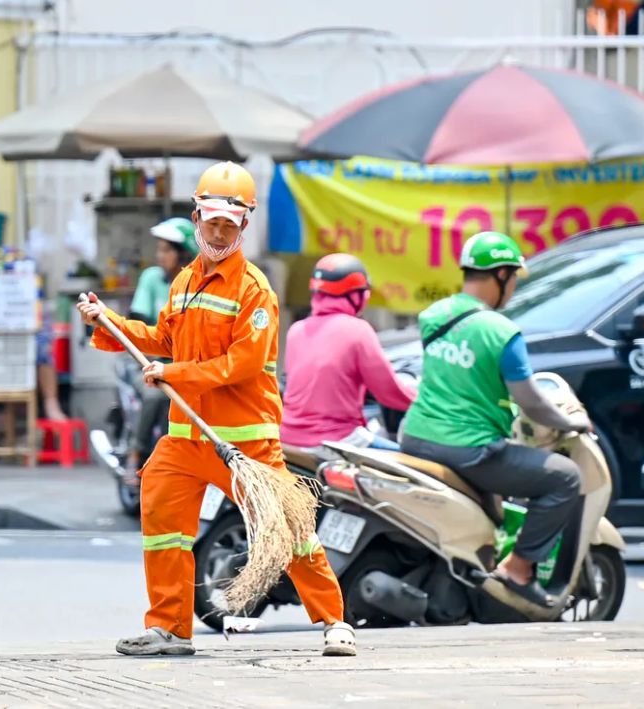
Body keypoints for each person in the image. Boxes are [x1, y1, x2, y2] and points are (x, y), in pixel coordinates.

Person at [78, 162, 355, 657]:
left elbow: (241, 364)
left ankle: (334, 621)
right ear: (197, 218)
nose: (220, 232)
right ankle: (170, 629)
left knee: (287, 530)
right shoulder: (184, 281)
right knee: (162, 523)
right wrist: (109, 321)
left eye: (231, 223)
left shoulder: (255, 290)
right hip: (186, 436)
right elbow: (164, 339)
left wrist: (174, 374)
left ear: (244, 224)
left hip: (244, 442)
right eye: (213, 222)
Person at [400, 231, 592, 608]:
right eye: (514, 277)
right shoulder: (503, 333)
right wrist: (572, 423)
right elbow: (531, 402)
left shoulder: (434, 316)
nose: (515, 287)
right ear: (501, 275)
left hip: (416, 437)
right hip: (468, 449)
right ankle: (518, 568)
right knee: (565, 477)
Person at [281, 253, 417, 453]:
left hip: (288, 440)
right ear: (356, 295)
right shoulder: (358, 330)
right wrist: (427, 405)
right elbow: (389, 393)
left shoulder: (296, 330)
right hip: (338, 440)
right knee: (417, 464)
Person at [125, 217, 200, 473]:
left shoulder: (197, 285)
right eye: (159, 249)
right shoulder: (151, 278)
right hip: (147, 362)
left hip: (182, 366)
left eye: (167, 250)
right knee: (154, 396)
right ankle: (135, 453)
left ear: (183, 253)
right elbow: (138, 324)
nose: (160, 256)